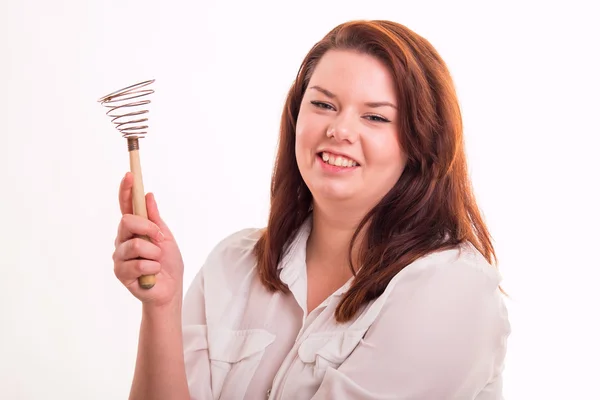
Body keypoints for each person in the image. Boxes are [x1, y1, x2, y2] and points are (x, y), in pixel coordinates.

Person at [112, 19, 511, 400]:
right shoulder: (233, 265)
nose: (338, 130)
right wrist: (162, 307)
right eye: (323, 104)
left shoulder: (452, 290)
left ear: (422, 144)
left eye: (374, 116)